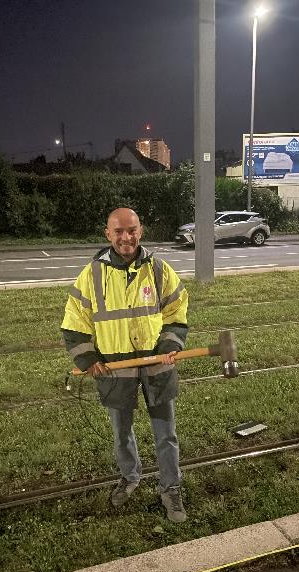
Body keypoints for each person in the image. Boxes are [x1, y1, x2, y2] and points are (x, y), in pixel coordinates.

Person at [61, 208, 189, 522]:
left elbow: (177, 312)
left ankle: (171, 488)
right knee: (121, 434)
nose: (125, 237)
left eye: (131, 230)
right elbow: (74, 323)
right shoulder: (91, 275)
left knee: (166, 434)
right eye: (118, 231)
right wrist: (88, 359)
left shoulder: (159, 270)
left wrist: (171, 345)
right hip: (115, 369)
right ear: (108, 234)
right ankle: (130, 477)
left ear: (140, 231)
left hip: (157, 365)